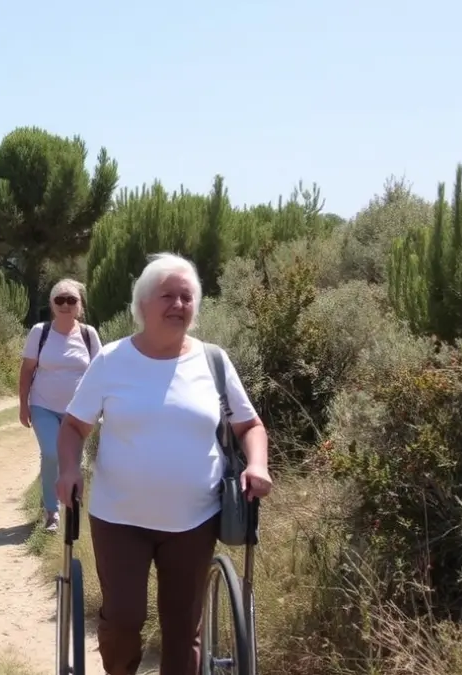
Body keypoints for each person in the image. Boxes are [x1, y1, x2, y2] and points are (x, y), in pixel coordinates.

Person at [54, 253, 273, 675]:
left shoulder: (213, 360)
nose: (178, 305)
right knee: (123, 620)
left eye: (186, 297)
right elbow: (73, 427)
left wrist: (257, 464)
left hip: (194, 519)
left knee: (182, 631)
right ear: (142, 305)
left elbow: (250, 425)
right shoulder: (112, 360)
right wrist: (68, 470)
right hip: (120, 517)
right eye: (167, 295)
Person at [18, 278, 100, 532]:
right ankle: (52, 512)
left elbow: (100, 372)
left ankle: (69, 503)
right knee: (53, 453)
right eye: (60, 300)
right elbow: (26, 370)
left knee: (74, 460)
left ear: (80, 306)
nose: (65, 304)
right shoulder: (39, 332)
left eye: (71, 300)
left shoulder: (89, 334)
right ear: (52, 304)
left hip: (78, 412)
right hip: (44, 406)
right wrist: (23, 404)